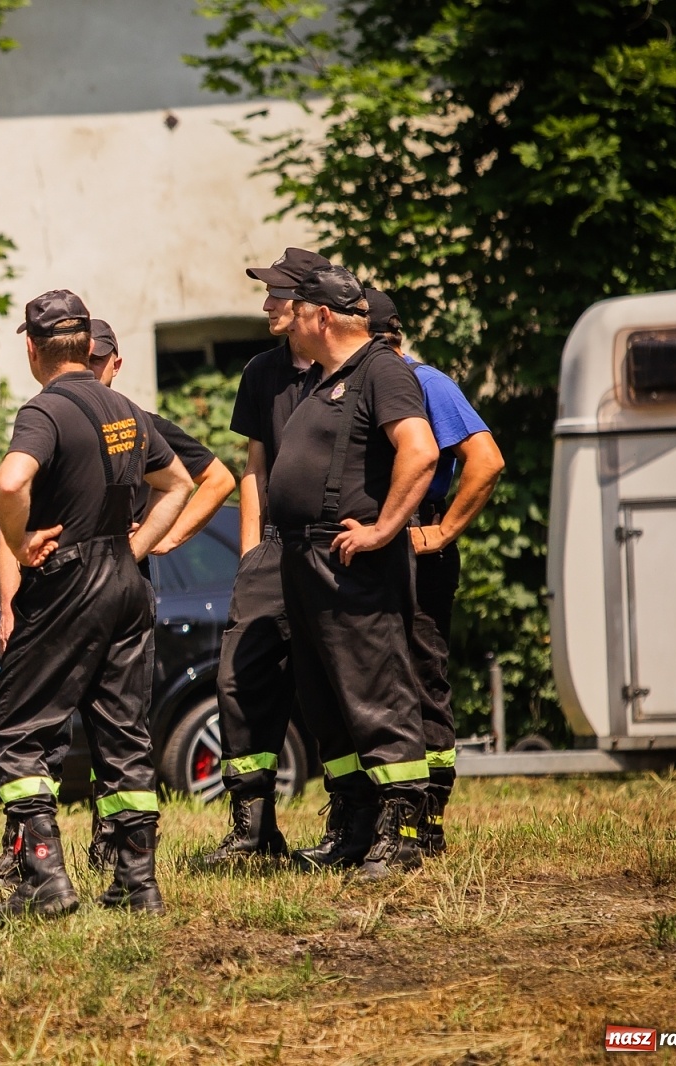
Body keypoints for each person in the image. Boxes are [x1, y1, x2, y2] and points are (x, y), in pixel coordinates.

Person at [0, 318, 235, 892]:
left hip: (67, 580)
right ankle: (137, 884)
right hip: (126, 585)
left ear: (32, 347)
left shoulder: (44, 410)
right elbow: (181, 483)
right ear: (88, 350)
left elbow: (10, 482)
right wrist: (135, 548)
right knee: (124, 736)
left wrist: (22, 545)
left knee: (18, 733)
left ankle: (43, 880)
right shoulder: (128, 413)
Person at [267, 266, 439, 880]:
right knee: (326, 700)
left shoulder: (381, 370)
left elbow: (420, 451)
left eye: (292, 305)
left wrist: (385, 529)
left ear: (322, 316)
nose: (277, 311)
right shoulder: (323, 379)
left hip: (353, 565)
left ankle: (404, 832)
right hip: (306, 560)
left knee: (377, 694)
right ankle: (355, 824)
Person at [193, 247, 328, 871]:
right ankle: (253, 826)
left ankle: (352, 820)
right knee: (240, 679)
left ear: (310, 304)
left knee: (333, 681)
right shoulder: (261, 373)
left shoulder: (353, 370)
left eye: (278, 295)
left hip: (333, 549)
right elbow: (255, 468)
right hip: (271, 550)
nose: (267, 305)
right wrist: (250, 555)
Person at [365, 289, 504, 854]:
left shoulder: (427, 383)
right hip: (377, 536)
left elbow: (486, 460)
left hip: (419, 539)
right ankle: (385, 808)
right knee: (379, 677)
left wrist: (442, 531)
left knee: (422, 674)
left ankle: (428, 817)